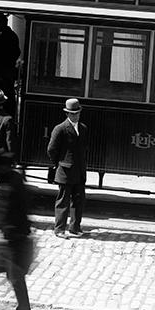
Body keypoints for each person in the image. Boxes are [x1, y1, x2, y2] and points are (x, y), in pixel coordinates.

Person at [0, 150, 34, 310]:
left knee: (15, 275)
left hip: (13, 236)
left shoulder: (3, 186)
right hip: (23, 231)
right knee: (15, 274)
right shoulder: (17, 177)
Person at [46, 98, 88, 238]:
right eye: (72, 113)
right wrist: (58, 163)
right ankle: (59, 229)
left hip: (79, 171)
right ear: (67, 114)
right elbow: (51, 149)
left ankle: (75, 227)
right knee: (63, 201)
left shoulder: (83, 128)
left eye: (77, 113)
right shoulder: (60, 129)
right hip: (65, 171)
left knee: (78, 200)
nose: (75, 116)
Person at [0, 12, 21, 114]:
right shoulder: (7, 35)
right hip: (4, 74)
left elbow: (13, 53)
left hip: (5, 75)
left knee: (6, 100)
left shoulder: (8, 36)